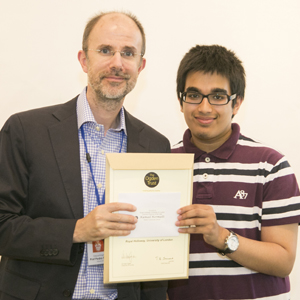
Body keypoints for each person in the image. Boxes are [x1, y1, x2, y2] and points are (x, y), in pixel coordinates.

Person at [0, 11, 170, 300]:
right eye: (105, 50)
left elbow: (153, 261)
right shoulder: (25, 131)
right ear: (84, 59)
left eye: (128, 53)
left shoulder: (156, 145)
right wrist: (77, 230)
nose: (117, 63)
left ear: (140, 66)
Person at [167, 45, 300, 300]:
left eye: (217, 96)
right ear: (181, 100)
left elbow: (284, 261)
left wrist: (221, 237)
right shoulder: (160, 164)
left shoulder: (271, 166)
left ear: (236, 102)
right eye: (194, 95)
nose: (204, 108)